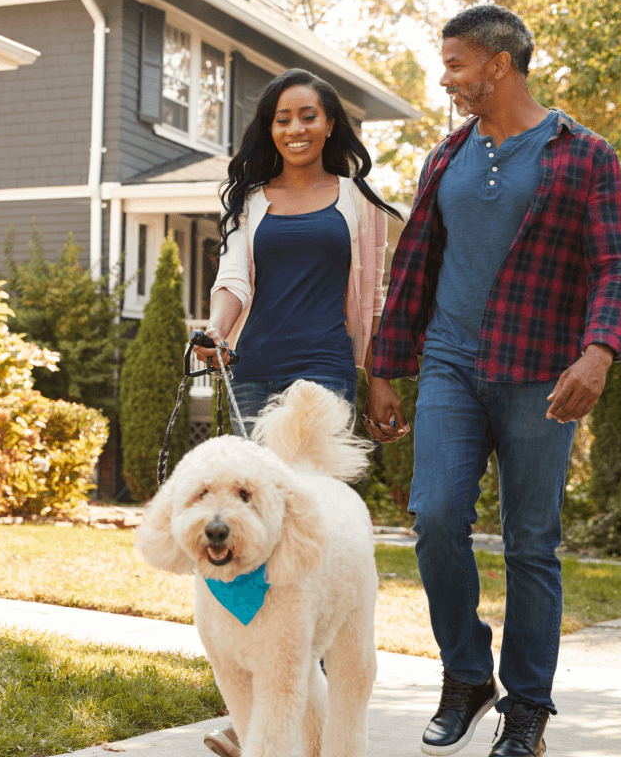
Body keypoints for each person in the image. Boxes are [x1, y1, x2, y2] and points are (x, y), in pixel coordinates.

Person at [365, 6, 621, 757]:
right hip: (452, 363)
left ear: (499, 64)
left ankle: (527, 710)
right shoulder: (446, 154)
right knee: (437, 516)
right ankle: (465, 674)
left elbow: (616, 266)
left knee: (530, 544)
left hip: (542, 372)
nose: (445, 78)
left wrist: (599, 351)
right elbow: (415, 266)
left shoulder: (584, 155)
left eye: (455, 64)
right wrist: (386, 364)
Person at [196, 67, 404, 757]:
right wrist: (215, 333)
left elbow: (371, 301)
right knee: (250, 530)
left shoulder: (358, 202)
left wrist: (377, 379)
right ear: (269, 127)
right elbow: (232, 281)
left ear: (331, 123)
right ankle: (260, 710)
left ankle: (294, 709)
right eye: (283, 118)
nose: (295, 128)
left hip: (323, 371)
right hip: (254, 368)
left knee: (305, 529)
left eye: (308, 116)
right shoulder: (252, 201)